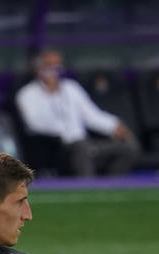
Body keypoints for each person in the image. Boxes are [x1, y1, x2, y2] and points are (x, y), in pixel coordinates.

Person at [15, 49, 138, 178]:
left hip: (85, 143)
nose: (54, 70)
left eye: (57, 66)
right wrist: (51, 94)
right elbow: (34, 124)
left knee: (129, 146)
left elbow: (91, 115)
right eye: (49, 66)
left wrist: (114, 126)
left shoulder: (71, 87)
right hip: (58, 147)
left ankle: (112, 186)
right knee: (82, 149)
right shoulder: (27, 94)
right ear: (38, 69)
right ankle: (87, 189)